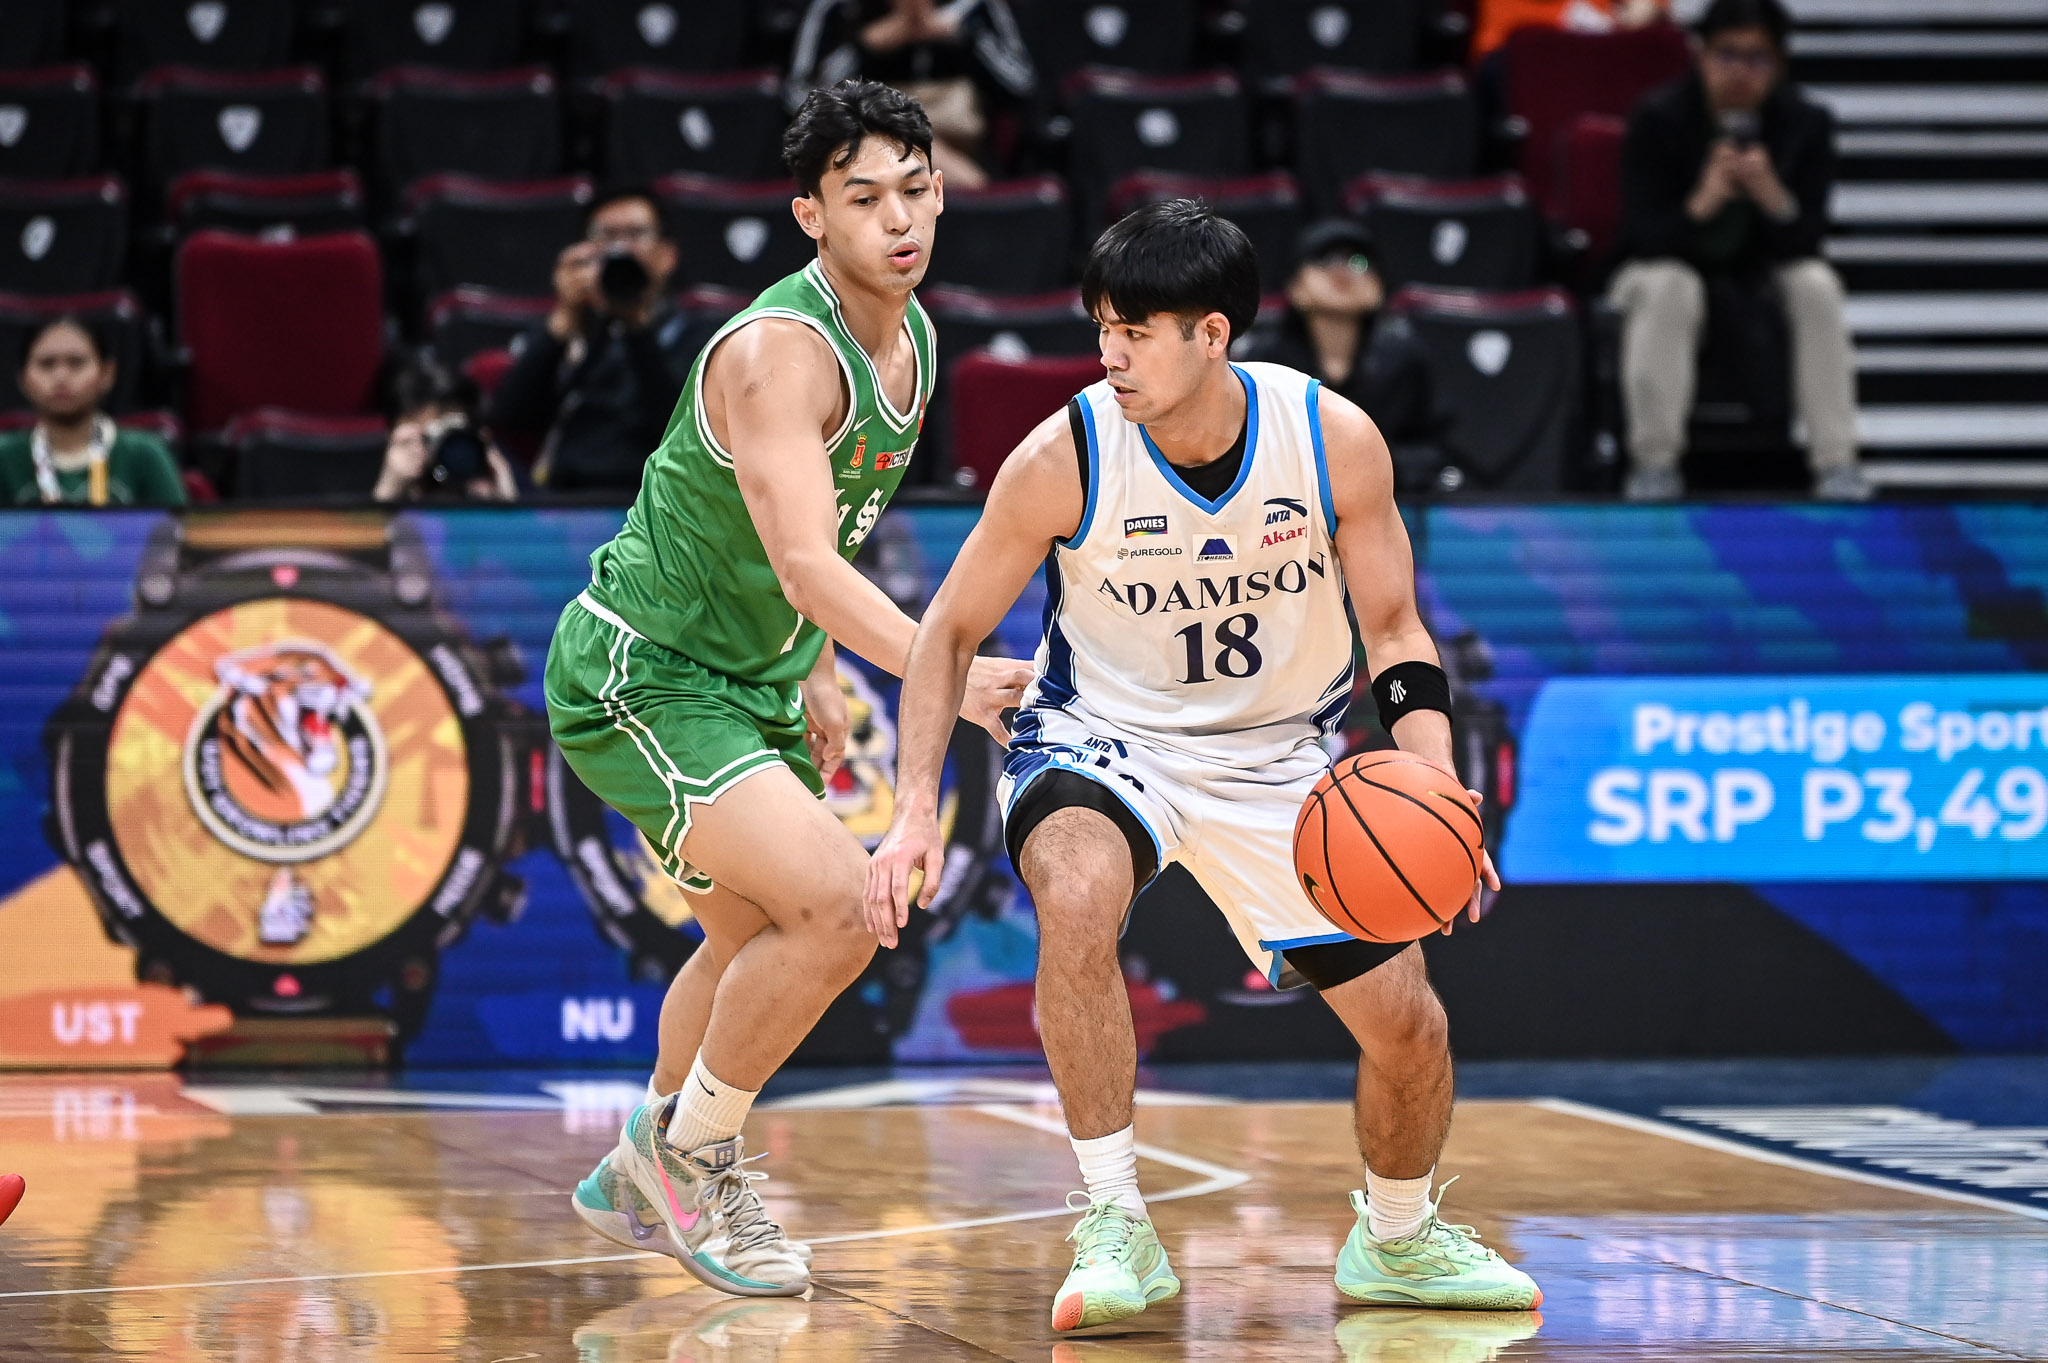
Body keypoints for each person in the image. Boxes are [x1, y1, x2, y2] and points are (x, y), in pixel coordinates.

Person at [866, 200, 1540, 1332]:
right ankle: (1114, 1219)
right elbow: (946, 633)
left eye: (1135, 331)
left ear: (1213, 333)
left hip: (1279, 756)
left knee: (1409, 1026)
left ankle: (1397, 1237)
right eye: (1101, 328)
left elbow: (1393, 629)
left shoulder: (1330, 440)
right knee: (1074, 890)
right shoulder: (1064, 454)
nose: (1109, 354)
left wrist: (1433, 786)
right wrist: (912, 813)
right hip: (1101, 737)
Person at [543, 80, 1033, 1297]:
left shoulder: (912, 341)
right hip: (644, 671)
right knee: (837, 908)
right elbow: (809, 564)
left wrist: (809, 660)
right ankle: (691, 1159)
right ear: (810, 214)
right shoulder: (778, 355)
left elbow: (813, 531)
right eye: (863, 199)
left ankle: (642, 1165)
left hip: (749, 676)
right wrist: (951, 673)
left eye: (915, 190)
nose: (898, 220)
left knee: (752, 939)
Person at [1610, 0, 1866, 500]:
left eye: (1757, 58)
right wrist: (1701, 205)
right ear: (1701, 55)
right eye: (1727, 55)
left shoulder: (1806, 123)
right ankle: (1655, 466)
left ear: (1779, 63)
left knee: (1816, 284)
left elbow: (1808, 240)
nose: (1740, 73)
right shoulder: (1657, 118)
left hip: (1756, 279)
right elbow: (1641, 237)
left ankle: (1837, 464)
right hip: (1657, 272)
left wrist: (1774, 199)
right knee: (1670, 285)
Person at [490, 186, 700, 496]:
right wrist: (562, 322)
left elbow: (679, 427)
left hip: (654, 499)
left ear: (668, 255)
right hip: (566, 500)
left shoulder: (694, 335)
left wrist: (637, 327)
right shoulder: (571, 330)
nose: (620, 248)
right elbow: (511, 419)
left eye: (636, 234)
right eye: (605, 235)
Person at [1235, 219, 1450, 493]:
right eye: (1324, 260)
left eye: (1358, 262)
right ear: (1294, 285)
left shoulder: (1405, 358)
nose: (1342, 272)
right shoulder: (1265, 360)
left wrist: (1367, 465)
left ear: (1379, 287)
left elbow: (1435, 448)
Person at [785, 0, 1036, 188]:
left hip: (968, 146)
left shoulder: (975, 7)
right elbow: (799, 99)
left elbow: (1023, 86)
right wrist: (863, 49)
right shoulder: (839, 8)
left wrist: (967, 38)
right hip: (866, 154)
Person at [0, 317, 183, 507]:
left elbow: (178, 525)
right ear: (22, 377)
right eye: (47, 364)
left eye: (76, 363)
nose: (61, 376)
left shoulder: (145, 454)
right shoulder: (4, 456)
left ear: (107, 373)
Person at [373, 359, 517, 503]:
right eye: (425, 438)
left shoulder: (490, 475)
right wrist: (390, 490)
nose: (443, 450)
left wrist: (505, 502)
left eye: (452, 435)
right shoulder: (377, 481)